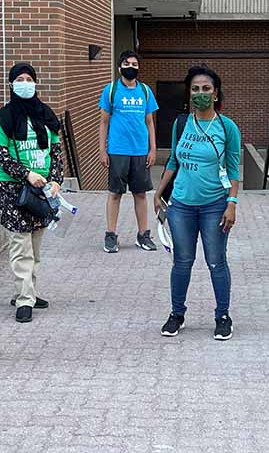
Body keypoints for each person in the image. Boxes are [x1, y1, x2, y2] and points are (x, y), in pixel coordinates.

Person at [154, 65, 241, 341]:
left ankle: (223, 316)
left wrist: (232, 203)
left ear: (216, 94)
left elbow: (235, 168)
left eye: (206, 89)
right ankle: (176, 314)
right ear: (189, 93)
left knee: (216, 262)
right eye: (195, 89)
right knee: (182, 261)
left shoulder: (227, 127)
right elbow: (173, 160)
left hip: (215, 205)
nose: (200, 93)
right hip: (181, 205)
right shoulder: (181, 124)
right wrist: (159, 192)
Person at [0, 63, 64, 324]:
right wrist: (26, 174)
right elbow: (0, 154)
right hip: (14, 189)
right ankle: (23, 300)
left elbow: (56, 150)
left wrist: (56, 180)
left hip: (42, 189)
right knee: (20, 245)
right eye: (19, 79)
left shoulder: (45, 115)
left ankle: (28, 291)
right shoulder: (2, 117)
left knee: (35, 245)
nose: (25, 83)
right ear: (11, 85)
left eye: (29, 78)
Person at [98, 50, 159, 253]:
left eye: (134, 64)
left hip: (140, 152)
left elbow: (149, 122)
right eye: (127, 63)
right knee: (115, 194)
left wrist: (153, 148)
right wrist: (102, 150)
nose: (131, 67)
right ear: (119, 67)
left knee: (140, 194)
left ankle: (143, 235)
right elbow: (104, 122)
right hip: (117, 151)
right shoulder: (111, 90)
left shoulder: (146, 91)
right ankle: (111, 236)